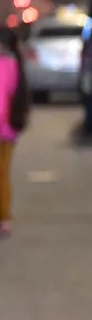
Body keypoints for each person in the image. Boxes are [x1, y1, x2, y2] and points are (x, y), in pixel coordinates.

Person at [0, 28, 29, 237]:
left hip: (4, 129)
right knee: (3, 175)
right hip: (8, 130)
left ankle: (4, 217)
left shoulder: (7, 65)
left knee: (2, 175)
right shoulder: (14, 64)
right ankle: (5, 217)